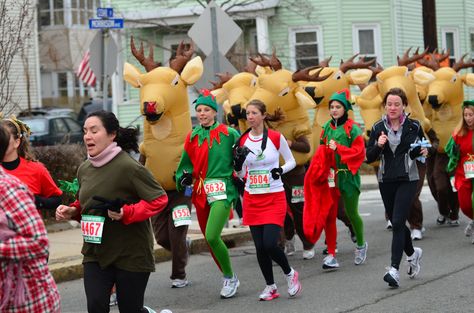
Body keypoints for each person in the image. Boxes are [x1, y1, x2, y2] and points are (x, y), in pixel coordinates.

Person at [55, 110, 168, 313]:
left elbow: (159, 199)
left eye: (94, 130)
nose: (87, 136)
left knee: (130, 309)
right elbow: (89, 203)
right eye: (85, 131)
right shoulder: (84, 169)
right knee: (96, 306)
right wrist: (72, 211)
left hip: (130, 253)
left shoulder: (129, 167)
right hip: (95, 252)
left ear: (111, 134)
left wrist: (128, 212)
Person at [234, 99, 302, 301]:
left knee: (271, 244)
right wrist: (238, 165)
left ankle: (290, 274)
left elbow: (292, 161)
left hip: (273, 196)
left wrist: (280, 170)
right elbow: (240, 174)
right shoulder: (242, 140)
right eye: (247, 113)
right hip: (252, 197)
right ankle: (270, 286)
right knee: (260, 247)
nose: (250, 117)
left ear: (263, 115)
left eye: (254, 113)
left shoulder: (275, 137)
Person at [175, 89, 240, 299]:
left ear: (214, 112)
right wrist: (183, 178)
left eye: (206, 110)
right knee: (210, 239)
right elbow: (185, 166)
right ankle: (228, 275)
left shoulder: (230, 134)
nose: (202, 113)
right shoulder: (193, 136)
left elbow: (245, 158)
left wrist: (242, 163)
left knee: (212, 235)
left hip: (223, 189)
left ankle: (229, 277)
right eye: (199, 110)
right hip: (201, 191)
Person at [366, 88, 426, 288]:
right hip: (386, 180)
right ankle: (412, 254)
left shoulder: (414, 126)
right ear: (385, 106)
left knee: (399, 220)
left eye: (397, 104)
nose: (392, 108)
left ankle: (393, 269)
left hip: (408, 178)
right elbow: (369, 157)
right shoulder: (377, 127)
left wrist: (423, 151)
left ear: (404, 106)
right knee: (397, 222)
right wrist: (379, 145)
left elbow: (423, 149)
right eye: (389, 104)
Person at [0, 125, 61, 312]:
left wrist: (34, 201)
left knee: (29, 276)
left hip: (28, 238)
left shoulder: (35, 170)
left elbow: (56, 197)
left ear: (18, 141)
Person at [322, 89, 367, 267]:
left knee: (351, 213)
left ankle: (361, 245)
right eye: (331, 107)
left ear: (345, 108)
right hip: (330, 177)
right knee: (329, 214)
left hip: (348, 176)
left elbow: (358, 153)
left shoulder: (352, 128)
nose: (334, 110)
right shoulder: (326, 127)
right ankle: (331, 253)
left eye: (338, 106)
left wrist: (338, 148)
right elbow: (321, 150)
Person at [1, 117, 62, 211]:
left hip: (28, 224)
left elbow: (57, 200)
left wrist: (36, 201)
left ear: (17, 142)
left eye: (4, 138)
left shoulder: (36, 169)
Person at [445, 100, 474, 243]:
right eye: (466, 115)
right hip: (463, 174)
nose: (468, 118)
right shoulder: (459, 133)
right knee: (465, 206)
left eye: (471, 115)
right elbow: (449, 151)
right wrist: (453, 151)